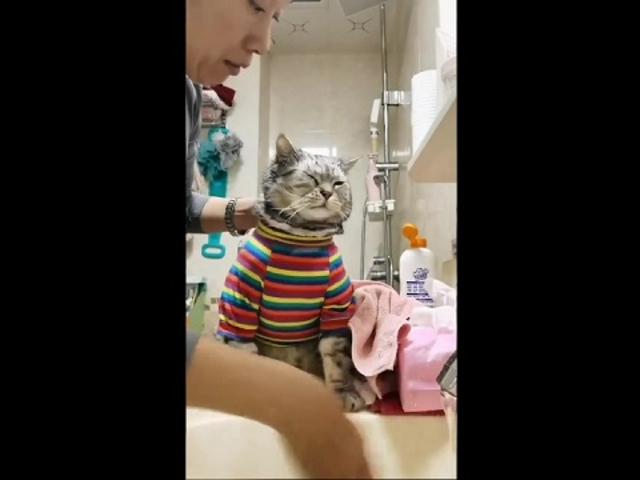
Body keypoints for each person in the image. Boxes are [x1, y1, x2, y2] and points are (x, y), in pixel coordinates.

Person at [185, 1, 374, 478]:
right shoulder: (258, 260)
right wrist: (293, 399)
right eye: (255, 5)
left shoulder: (189, 94)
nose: (265, 42)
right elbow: (237, 323)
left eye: (276, 18)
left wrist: (249, 211)